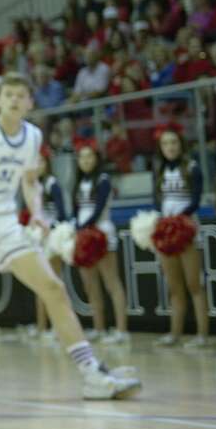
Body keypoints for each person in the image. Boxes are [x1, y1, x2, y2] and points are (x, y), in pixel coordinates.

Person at [0, 74, 140, 400]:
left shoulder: (33, 136)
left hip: (4, 224)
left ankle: (91, 373)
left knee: (54, 288)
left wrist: (36, 211)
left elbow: (30, 181)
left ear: (30, 102)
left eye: (21, 95)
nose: (15, 100)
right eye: (9, 95)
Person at [150, 124, 208, 348]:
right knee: (174, 286)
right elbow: (156, 200)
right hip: (166, 232)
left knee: (194, 284)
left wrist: (178, 220)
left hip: (186, 230)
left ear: (181, 144)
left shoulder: (192, 167)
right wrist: (163, 223)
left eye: (173, 142)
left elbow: (195, 200)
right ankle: (175, 334)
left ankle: (202, 335)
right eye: (165, 143)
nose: (170, 147)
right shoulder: (159, 170)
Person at [71, 140, 130, 344]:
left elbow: (98, 209)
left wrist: (82, 227)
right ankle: (99, 328)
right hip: (84, 234)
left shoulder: (103, 179)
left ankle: (122, 330)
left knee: (111, 282)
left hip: (101, 232)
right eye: (82, 157)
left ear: (97, 159)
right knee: (90, 285)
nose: (86, 161)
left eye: (90, 156)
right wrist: (75, 228)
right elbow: (75, 210)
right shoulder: (78, 181)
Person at [33, 149, 68, 341]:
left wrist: (50, 228)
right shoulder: (32, 185)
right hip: (38, 238)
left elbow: (62, 214)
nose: (38, 166)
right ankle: (41, 328)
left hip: (52, 238)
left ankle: (58, 327)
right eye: (34, 162)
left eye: (41, 162)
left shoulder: (52, 184)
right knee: (39, 285)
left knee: (53, 283)